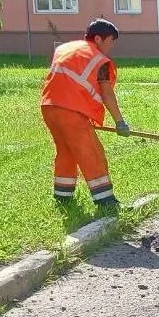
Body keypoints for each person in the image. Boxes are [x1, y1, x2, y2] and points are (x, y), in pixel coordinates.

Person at [40, 19, 129, 212]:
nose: (112, 46)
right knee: (91, 152)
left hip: (48, 106)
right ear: (98, 38)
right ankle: (106, 203)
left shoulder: (66, 48)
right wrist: (120, 122)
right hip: (70, 111)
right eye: (111, 41)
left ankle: (63, 199)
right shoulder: (97, 59)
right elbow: (106, 92)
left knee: (66, 152)